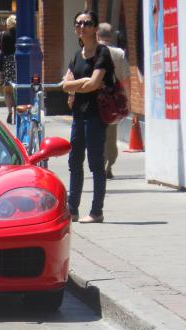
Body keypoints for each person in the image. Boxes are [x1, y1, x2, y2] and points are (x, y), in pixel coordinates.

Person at [62, 10, 114, 224]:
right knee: (74, 162)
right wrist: (82, 84)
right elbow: (65, 85)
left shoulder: (102, 53)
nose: (81, 26)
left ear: (94, 28)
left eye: (87, 23)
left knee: (95, 163)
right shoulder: (77, 55)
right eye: (78, 23)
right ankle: (72, 209)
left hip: (95, 116)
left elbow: (94, 85)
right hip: (78, 116)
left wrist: (78, 85)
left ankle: (96, 212)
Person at [97, 23, 131, 179]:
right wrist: (128, 99)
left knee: (95, 132)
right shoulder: (118, 53)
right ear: (111, 36)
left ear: (97, 34)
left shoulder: (92, 51)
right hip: (113, 99)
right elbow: (125, 78)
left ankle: (98, 162)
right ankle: (108, 164)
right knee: (111, 133)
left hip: (94, 97)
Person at [0, 15, 17, 123]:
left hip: (7, 64)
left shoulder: (5, 35)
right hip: (17, 64)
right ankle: (16, 112)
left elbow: (2, 50)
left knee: (7, 90)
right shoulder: (19, 34)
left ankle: (9, 111)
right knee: (17, 89)